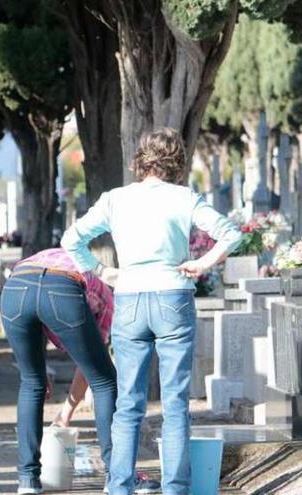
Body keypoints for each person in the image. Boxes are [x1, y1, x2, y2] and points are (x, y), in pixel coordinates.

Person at [61, 128, 242, 495]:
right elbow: (231, 233)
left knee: (128, 403)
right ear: (177, 160)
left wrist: (102, 272)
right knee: (175, 403)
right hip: (173, 295)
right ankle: (176, 489)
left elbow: (71, 239)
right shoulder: (184, 198)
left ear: (141, 160)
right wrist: (201, 263)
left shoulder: (115, 199)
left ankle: (119, 486)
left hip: (129, 295)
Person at [0, 247, 117, 495]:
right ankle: (116, 476)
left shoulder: (59, 255)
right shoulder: (107, 296)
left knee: (31, 382)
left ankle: (28, 481)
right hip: (62, 287)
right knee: (105, 380)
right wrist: (66, 413)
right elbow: (89, 370)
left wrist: (39, 373)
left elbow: (36, 296)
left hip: (15, 286)